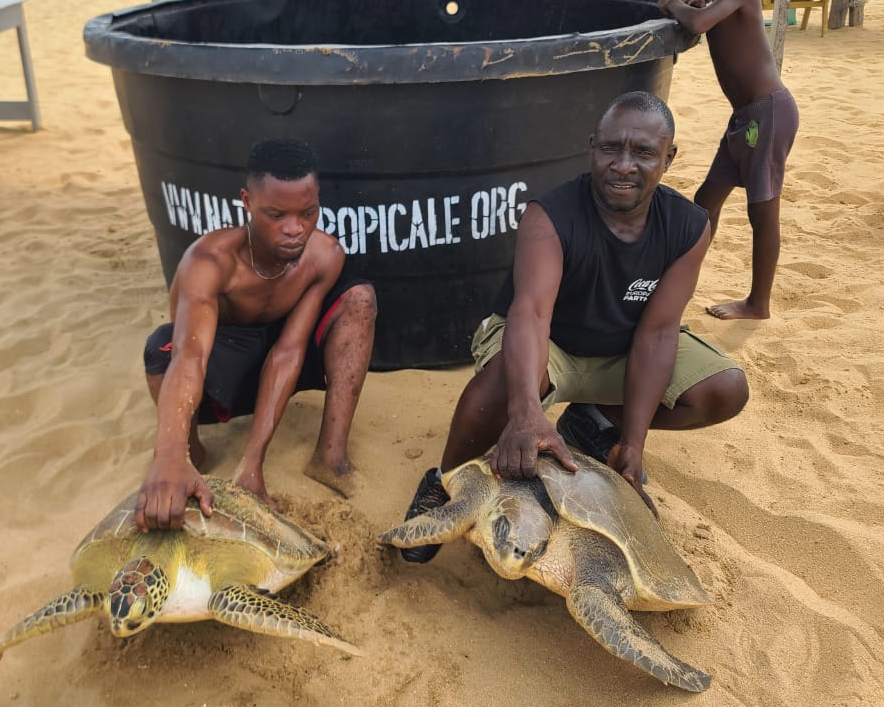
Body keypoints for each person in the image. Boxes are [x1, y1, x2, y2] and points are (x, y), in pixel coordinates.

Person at [398, 92, 749, 563]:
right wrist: (525, 411)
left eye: (643, 152)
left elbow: (659, 332)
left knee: (724, 389)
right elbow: (531, 313)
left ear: (669, 157)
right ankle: (444, 482)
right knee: (505, 382)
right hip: (549, 343)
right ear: (591, 148)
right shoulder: (551, 215)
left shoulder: (688, 226)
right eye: (611, 149)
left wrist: (634, 445)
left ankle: (593, 421)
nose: (623, 165)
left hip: (622, 346)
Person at [137, 137, 376, 531]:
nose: (294, 229)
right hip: (219, 366)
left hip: (280, 358)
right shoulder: (209, 261)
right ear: (247, 203)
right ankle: (187, 454)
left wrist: (252, 464)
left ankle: (330, 458)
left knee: (360, 299)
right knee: (161, 347)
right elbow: (190, 356)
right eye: (276, 214)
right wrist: (169, 454)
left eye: (308, 213)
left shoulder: (324, 255)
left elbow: (288, 351)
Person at [657, 0, 800, 321]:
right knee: (705, 201)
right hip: (746, 118)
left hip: (767, 115)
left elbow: (697, 23)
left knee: (762, 209)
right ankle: (680, 282)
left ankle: (758, 303)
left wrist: (674, 4)